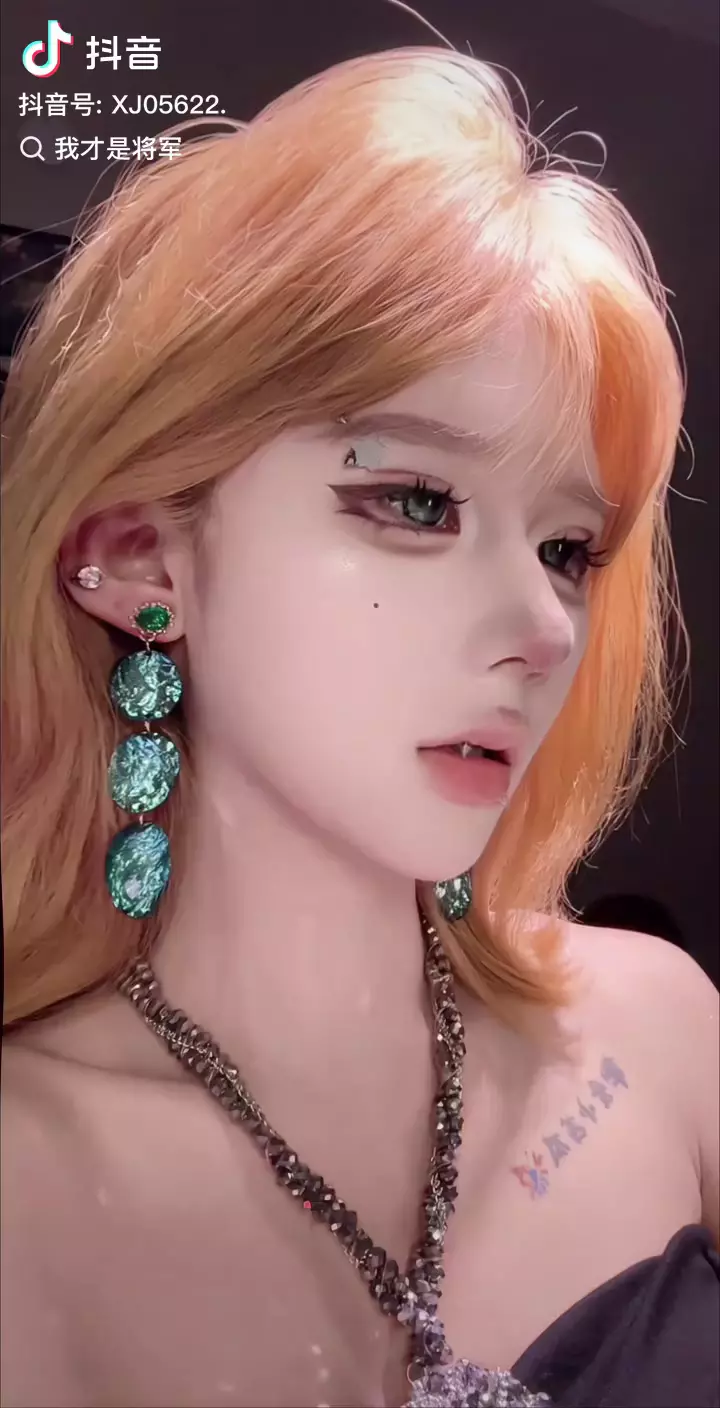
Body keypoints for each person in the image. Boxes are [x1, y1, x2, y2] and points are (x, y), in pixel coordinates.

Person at [1, 46, 717, 1408]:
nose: (544, 624)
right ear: (141, 556)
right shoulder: (24, 1189)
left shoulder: (662, 1035)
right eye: (416, 503)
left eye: (568, 548)